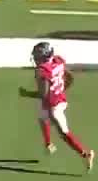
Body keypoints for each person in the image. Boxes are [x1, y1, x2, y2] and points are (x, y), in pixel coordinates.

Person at [32, 41, 93, 172]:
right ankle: (48, 144)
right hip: (58, 98)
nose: (35, 58)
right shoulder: (57, 60)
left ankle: (85, 154)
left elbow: (44, 94)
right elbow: (69, 76)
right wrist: (61, 89)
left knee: (64, 133)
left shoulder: (43, 70)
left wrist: (28, 94)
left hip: (53, 105)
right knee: (42, 118)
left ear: (43, 56)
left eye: (37, 55)